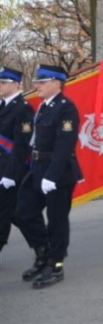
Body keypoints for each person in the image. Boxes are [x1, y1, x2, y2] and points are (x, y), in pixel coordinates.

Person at [15, 64, 80, 288]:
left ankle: (56, 265)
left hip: (59, 173)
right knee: (23, 212)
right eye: (37, 81)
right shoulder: (43, 106)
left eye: (41, 81)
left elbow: (64, 145)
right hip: (38, 167)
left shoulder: (66, 108)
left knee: (57, 221)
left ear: (56, 82)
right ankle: (43, 253)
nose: (36, 85)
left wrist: (52, 176)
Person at [0, 67, 35, 269]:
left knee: (5, 213)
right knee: (15, 214)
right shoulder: (3, 105)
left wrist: (10, 174)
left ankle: (43, 246)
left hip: (11, 170)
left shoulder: (22, 108)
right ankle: (42, 245)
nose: (0, 86)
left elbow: (22, 145)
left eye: (4, 82)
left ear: (16, 84)